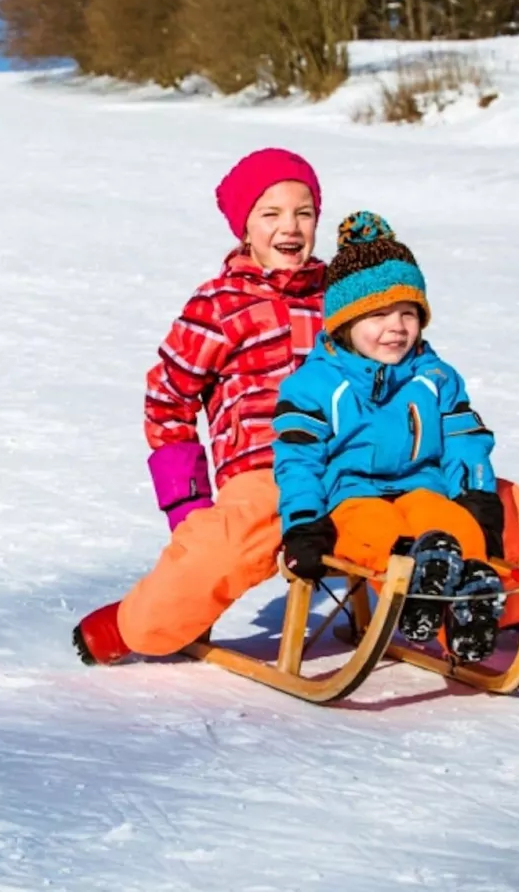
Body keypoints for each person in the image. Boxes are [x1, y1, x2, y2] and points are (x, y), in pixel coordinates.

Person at [71, 148, 328, 665]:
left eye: (304, 212)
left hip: (351, 463)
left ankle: (495, 609)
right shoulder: (219, 304)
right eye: (271, 213)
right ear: (245, 228)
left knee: (462, 504)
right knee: (225, 546)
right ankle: (139, 621)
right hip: (266, 471)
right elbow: (168, 398)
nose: (291, 227)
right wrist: (188, 505)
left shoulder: (343, 300)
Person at [272, 212, 506, 663]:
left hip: (423, 487)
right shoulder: (313, 385)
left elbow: (465, 438)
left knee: (453, 526)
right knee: (375, 529)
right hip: (351, 495)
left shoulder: (436, 376)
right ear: (344, 323)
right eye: (378, 315)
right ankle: (417, 581)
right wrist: (303, 522)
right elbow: (297, 459)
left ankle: (469, 599)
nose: (396, 327)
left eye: (408, 313)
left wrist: (478, 497)